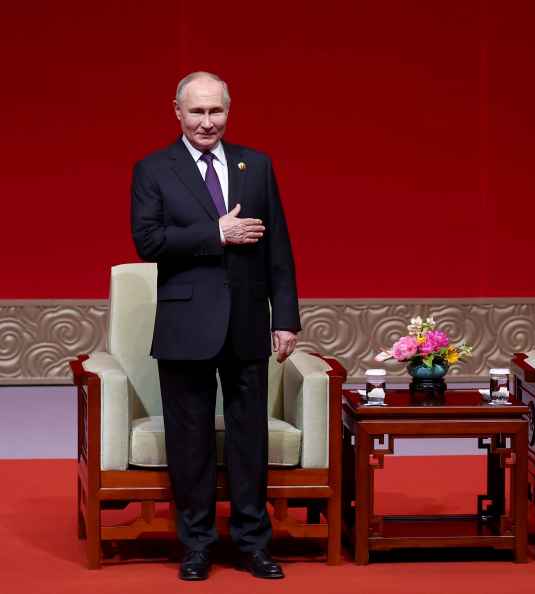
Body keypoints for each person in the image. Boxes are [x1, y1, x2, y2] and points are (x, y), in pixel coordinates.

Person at [131, 71, 300, 581]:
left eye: (216, 111)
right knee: (191, 441)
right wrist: (216, 232)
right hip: (186, 325)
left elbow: (279, 249)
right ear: (176, 111)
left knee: (249, 440)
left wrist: (286, 318)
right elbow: (149, 242)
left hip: (248, 321)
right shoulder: (154, 169)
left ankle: (252, 543)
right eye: (197, 112)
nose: (207, 122)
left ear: (229, 110)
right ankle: (198, 544)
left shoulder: (257, 164)